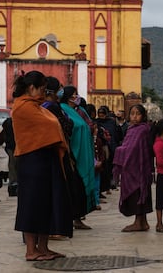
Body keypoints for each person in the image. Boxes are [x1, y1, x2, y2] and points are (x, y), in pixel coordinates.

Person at [12, 70, 72, 261]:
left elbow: (53, 126)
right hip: (32, 160)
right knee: (31, 204)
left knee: (47, 203)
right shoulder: (23, 107)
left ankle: (44, 248)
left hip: (46, 158)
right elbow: (50, 127)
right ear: (31, 88)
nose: (44, 93)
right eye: (42, 89)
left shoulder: (38, 107)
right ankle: (31, 250)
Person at [60, 85, 96, 229]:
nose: (77, 97)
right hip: (74, 153)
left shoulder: (77, 111)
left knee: (79, 188)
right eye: (74, 94)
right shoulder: (63, 110)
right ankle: (72, 218)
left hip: (82, 154)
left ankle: (78, 218)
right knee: (74, 187)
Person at [113, 104, 154, 232]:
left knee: (138, 193)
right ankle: (143, 222)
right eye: (132, 114)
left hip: (138, 167)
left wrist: (119, 151)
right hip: (133, 166)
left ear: (143, 116)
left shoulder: (142, 130)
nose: (134, 116)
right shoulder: (131, 129)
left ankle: (138, 222)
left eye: (138, 114)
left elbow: (132, 148)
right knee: (140, 193)